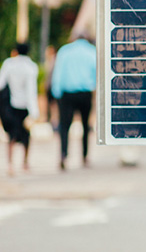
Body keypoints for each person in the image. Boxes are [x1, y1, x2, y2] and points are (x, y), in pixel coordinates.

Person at [51, 33, 97, 170]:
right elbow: (96, 74)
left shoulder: (64, 51)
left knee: (64, 126)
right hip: (85, 93)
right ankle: (84, 156)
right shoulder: (91, 51)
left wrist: (56, 93)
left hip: (67, 94)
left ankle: (64, 155)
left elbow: (57, 74)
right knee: (85, 125)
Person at [0, 43, 40, 175]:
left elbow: (1, 83)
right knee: (26, 136)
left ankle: (10, 164)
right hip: (25, 107)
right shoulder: (31, 67)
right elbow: (31, 91)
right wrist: (34, 112)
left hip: (11, 105)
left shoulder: (8, 64)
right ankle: (25, 162)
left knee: (12, 135)